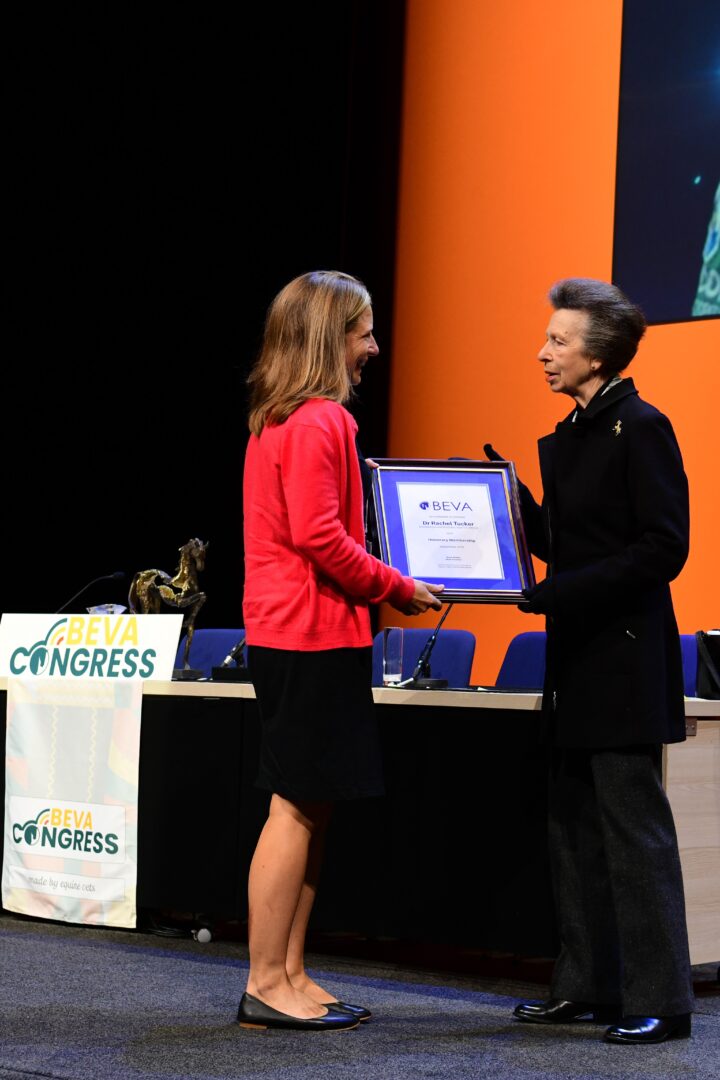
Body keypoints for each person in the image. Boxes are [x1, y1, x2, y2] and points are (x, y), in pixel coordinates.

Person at [487, 278, 694, 1045]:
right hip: (577, 660)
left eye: (557, 341)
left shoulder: (642, 427)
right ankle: (586, 987)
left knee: (634, 835)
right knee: (572, 827)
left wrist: (561, 590)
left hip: (624, 660)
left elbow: (663, 548)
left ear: (597, 355)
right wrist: (512, 505)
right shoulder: (574, 431)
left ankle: (662, 999)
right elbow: (572, 545)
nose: (542, 353)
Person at [238, 270, 444, 1032]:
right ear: (331, 338)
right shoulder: (322, 420)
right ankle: (266, 981)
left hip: (294, 631)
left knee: (309, 808)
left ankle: (291, 973)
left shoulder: (279, 419)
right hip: (309, 634)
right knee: (294, 808)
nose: (374, 347)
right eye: (364, 332)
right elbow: (321, 537)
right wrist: (398, 586)